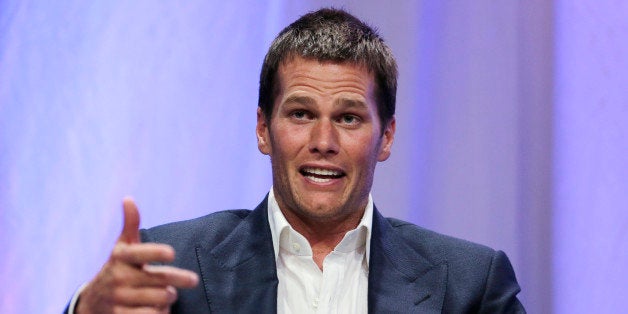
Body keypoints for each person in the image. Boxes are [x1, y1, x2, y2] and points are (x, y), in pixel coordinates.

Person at [66, 8, 525, 313]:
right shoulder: (173, 272)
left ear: (386, 137)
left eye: (348, 118)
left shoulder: (469, 287)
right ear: (264, 129)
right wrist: (87, 309)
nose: (323, 141)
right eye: (301, 114)